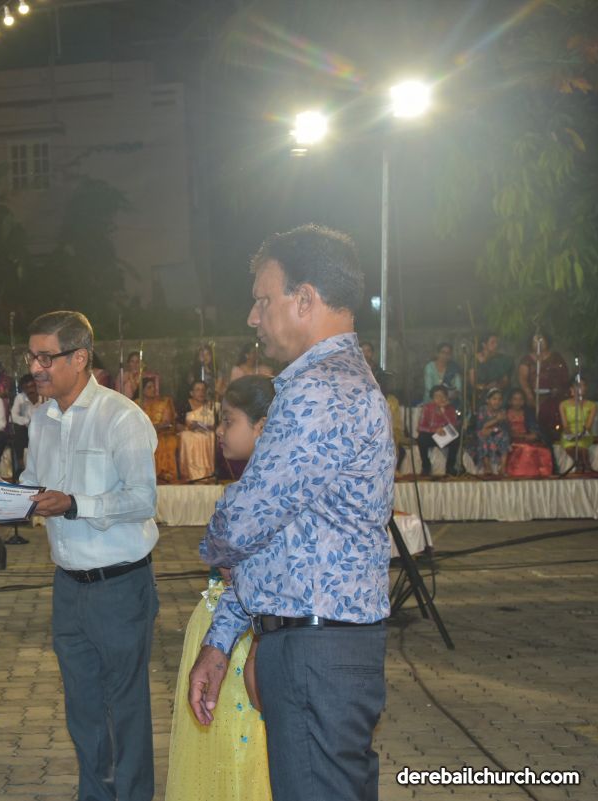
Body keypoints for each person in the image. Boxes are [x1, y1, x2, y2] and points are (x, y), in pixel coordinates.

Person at [189, 224, 392, 801]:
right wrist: (222, 638)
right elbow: (276, 543)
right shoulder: (330, 382)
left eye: (262, 300)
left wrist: (213, 541)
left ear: (304, 299)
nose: (253, 317)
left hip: (314, 652)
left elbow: (244, 523)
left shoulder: (320, 389)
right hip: (316, 642)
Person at [4, 310, 159, 801]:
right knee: (84, 710)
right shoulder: (41, 418)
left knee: (124, 709)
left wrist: (74, 504)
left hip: (120, 586)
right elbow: (33, 486)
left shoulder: (122, 417)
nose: (35, 368)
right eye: (31, 357)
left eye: (45, 357)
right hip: (68, 587)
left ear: (80, 358)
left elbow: (143, 500)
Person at [165, 375, 274, 801]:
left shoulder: (262, 500)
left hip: (241, 634)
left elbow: (244, 577)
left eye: (229, 421)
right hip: (215, 626)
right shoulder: (240, 491)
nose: (220, 431)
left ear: (262, 427)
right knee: (219, 753)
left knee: (242, 748)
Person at [517, 332, 570, 436]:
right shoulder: (527, 360)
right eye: (535, 341)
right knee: (535, 420)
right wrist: (529, 395)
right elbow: (523, 379)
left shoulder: (556, 357)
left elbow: (564, 376)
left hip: (554, 397)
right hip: (534, 397)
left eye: (541, 340)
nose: (539, 343)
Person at [505, 388, 554, 478]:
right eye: (515, 399)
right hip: (512, 440)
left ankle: (542, 475)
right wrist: (522, 436)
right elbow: (505, 431)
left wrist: (534, 434)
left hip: (527, 438)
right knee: (527, 449)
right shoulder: (505, 413)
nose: (518, 402)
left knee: (544, 450)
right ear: (510, 401)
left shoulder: (528, 413)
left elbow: (533, 427)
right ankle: (523, 473)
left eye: (520, 399)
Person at [139, 378, 179, 483]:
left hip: (162, 432)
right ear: (142, 390)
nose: (153, 389)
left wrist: (155, 427)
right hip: (142, 433)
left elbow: (167, 422)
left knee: (166, 442)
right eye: (149, 387)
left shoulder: (164, 402)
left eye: (154, 387)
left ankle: (165, 473)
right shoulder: (136, 404)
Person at [416, 385, 462, 477]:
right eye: (436, 396)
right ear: (432, 398)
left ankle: (450, 467)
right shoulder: (427, 408)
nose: (439, 398)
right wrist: (434, 430)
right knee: (421, 438)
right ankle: (426, 466)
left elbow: (453, 425)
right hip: (432, 435)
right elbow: (420, 427)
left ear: (446, 397)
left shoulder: (450, 409)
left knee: (456, 437)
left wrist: (443, 412)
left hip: (445, 435)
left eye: (442, 396)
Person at [178, 381, 219, 483]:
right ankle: (190, 474)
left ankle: (208, 473)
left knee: (211, 436)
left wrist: (209, 427)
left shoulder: (211, 406)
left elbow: (218, 425)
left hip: (207, 432)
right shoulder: (185, 405)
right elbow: (178, 424)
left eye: (203, 390)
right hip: (189, 432)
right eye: (197, 390)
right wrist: (188, 427)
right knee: (186, 436)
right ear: (191, 393)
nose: (201, 392)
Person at [558, 379, 597, 473]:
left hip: (584, 432)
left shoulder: (592, 405)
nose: (581, 388)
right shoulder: (563, 404)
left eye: (583, 385)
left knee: (581, 448)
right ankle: (581, 465)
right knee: (570, 447)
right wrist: (570, 434)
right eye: (578, 385)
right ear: (572, 388)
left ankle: (586, 466)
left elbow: (588, 426)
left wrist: (581, 435)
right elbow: (565, 425)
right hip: (569, 432)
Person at [471, 387, 511, 476]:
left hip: (497, 433)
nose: (497, 402)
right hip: (483, 432)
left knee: (504, 435)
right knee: (481, 435)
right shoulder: (482, 410)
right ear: (488, 400)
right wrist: (496, 420)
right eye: (494, 399)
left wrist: (493, 429)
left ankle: (503, 466)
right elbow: (481, 427)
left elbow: (504, 427)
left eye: (499, 399)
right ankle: (487, 465)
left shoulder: (502, 411)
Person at [10, 373, 43, 477]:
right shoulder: (20, 398)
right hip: (26, 432)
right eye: (26, 388)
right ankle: (21, 465)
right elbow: (12, 417)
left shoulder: (44, 397)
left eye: (32, 386)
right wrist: (27, 421)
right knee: (18, 430)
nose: (30, 390)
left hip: (42, 431)